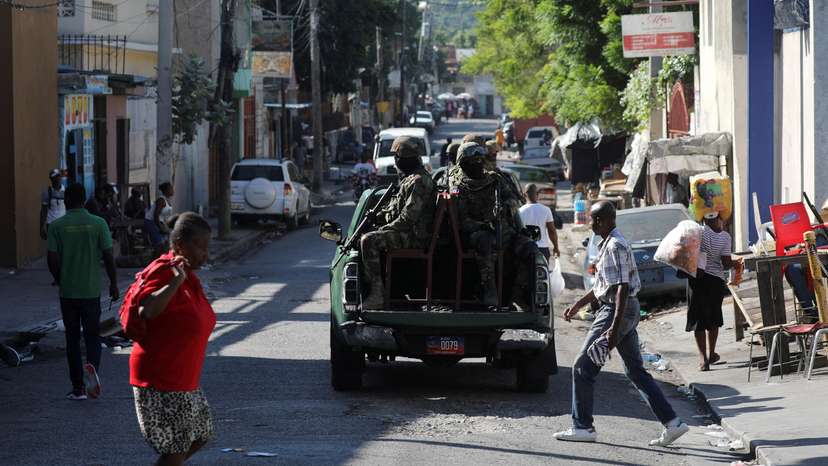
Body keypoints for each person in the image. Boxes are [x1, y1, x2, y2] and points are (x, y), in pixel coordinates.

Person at [555, 201, 688, 446]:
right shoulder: (606, 244)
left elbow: (621, 289)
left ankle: (582, 426)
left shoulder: (615, 245)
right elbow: (601, 286)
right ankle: (673, 424)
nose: (591, 224)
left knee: (583, 367)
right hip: (622, 310)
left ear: (606, 220)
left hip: (617, 311)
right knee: (635, 370)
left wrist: (612, 330)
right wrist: (578, 305)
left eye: (595, 220)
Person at [130, 212, 216, 466]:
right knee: (177, 446)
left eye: (206, 247)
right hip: (162, 377)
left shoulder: (189, 275)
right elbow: (147, 311)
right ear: (179, 244)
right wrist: (175, 281)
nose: (205, 254)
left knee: (201, 434)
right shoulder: (167, 271)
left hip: (183, 378)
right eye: (200, 247)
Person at [46, 183, 119, 400]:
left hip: (68, 292)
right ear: (84, 198)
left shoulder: (56, 226)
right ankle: (92, 370)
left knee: (72, 339)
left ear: (66, 201)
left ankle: (77, 388)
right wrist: (114, 284)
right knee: (92, 336)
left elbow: (52, 258)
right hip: (91, 291)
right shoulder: (98, 223)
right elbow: (108, 256)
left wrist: (59, 279)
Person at [449, 142, 536, 307]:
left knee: (529, 247)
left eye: (480, 159)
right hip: (477, 235)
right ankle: (490, 290)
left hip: (503, 231)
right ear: (463, 163)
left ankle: (518, 293)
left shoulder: (495, 179)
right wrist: (482, 225)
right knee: (485, 240)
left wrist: (504, 207)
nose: (478, 164)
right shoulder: (458, 187)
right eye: (473, 161)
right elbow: (461, 220)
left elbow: (512, 199)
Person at [361, 136, 437, 309]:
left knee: (369, 241)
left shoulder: (419, 181)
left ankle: (377, 295)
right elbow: (394, 211)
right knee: (366, 234)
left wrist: (383, 229)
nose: (396, 162)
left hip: (415, 236)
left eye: (398, 158)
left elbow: (407, 218)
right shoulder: (409, 179)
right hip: (408, 232)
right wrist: (377, 219)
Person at [687, 212, 739, 371]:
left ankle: (703, 360)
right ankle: (711, 353)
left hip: (696, 279)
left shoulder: (696, 232)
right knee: (713, 317)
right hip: (715, 281)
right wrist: (736, 264)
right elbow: (725, 262)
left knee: (698, 319)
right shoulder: (725, 237)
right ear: (718, 220)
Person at [519, 184, 560, 261]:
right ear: (537, 194)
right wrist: (556, 247)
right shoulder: (546, 210)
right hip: (542, 249)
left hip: (525, 249)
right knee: (542, 272)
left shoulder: (519, 212)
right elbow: (552, 231)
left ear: (524, 195)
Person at [145, 182, 174, 259]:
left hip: (159, 222)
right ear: (166, 190)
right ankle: (155, 263)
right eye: (170, 188)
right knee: (159, 245)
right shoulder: (161, 200)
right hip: (151, 222)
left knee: (165, 244)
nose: (172, 190)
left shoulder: (166, 200)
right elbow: (155, 215)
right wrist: (159, 228)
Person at [40, 169, 66, 240]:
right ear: (51, 179)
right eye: (55, 177)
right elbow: (43, 211)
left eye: (58, 176)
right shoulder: (46, 193)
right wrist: (42, 227)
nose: (57, 179)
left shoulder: (66, 191)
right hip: (51, 224)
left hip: (63, 224)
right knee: (52, 247)